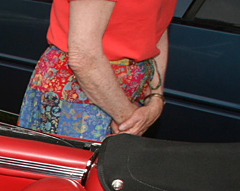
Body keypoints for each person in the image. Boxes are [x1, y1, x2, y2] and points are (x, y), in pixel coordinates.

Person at [19, 0, 175, 142]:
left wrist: (155, 99)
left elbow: (157, 30)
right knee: (72, 168)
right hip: (81, 88)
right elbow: (83, 57)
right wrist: (129, 119)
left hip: (130, 96)